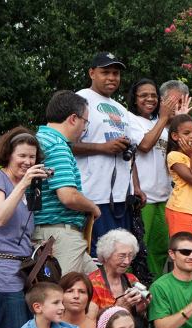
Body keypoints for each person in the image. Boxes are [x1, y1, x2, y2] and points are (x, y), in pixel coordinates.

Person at [0, 128, 48, 328]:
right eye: (22, 156)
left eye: (32, 156)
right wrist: (26, 183)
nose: (28, 161)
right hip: (2, 270)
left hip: (24, 272)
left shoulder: (24, 189)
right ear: (8, 155)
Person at [71, 53, 138, 251]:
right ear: (92, 73)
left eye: (116, 73)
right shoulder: (80, 99)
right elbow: (64, 144)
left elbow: (131, 151)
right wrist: (103, 148)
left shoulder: (120, 108)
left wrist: (136, 186)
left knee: (119, 256)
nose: (111, 77)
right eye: (105, 72)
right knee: (97, 257)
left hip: (120, 196)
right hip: (93, 195)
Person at [34, 91, 102, 275]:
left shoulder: (41, 139)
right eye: (85, 122)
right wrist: (92, 207)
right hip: (60, 234)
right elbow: (68, 196)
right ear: (73, 118)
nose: (83, 129)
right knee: (65, 296)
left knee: (97, 290)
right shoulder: (57, 145)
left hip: (51, 233)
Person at [125, 79, 184, 278]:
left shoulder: (160, 125)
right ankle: (134, 293)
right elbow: (144, 145)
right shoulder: (130, 119)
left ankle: (155, 291)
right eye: (143, 95)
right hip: (144, 198)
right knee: (138, 250)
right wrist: (163, 118)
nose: (149, 99)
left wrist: (179, 121)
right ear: (134, 99)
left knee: (159, 250)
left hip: (164, 197)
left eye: (153, 95)